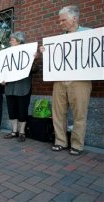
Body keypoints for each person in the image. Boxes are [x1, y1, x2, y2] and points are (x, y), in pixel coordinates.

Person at [40, 5, 92, 155]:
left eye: (63, 20)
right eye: (60, 20)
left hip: (80, 81)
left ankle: (77, 144)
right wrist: (46, 52)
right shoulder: (59, 39)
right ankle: (60, 141)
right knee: (58, 112)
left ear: (74, 18)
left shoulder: (89, 34)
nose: (60, 23)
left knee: (79, 113)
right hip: (60, 80)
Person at [2, 32, 39, 142]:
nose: (10, 42)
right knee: (12, 110)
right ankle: (14, 131)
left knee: (22, 110)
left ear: (19, 41)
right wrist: (1, 79)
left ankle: (22, 131)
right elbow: (2, 69)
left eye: (12, 40)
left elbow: (35, 70)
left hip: (23, 87)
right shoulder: (7, 54)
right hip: (10, 87)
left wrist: (33, 60)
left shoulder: (27, 52)